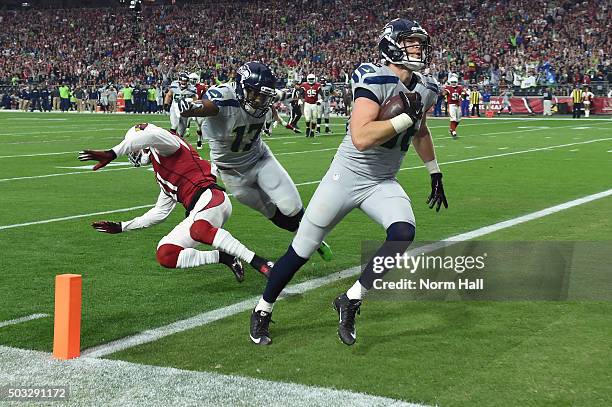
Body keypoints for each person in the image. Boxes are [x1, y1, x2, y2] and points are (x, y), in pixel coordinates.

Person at [248, 19, 448, 346]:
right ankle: (263, 309)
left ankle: (351, 299)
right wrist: (402, 118)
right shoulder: (374, 78)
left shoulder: (425, 88)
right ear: (392, 45)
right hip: (346, 177)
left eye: (418, 43)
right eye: (411, 42)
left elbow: (421, 131)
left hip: (382, 181)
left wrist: (434, 171)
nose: (418, 49)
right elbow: (360, 137)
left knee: (403, 232)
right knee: (302, 250)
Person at [180, 62, 333, 266]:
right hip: (233, 174)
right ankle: (305, 235)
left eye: (264, 96)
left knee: (292, 207)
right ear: (242, 87)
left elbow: (284, 95)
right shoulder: (224, 97)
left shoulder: (265, 96)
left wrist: (295, 94)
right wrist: (192, 107)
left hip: (259, 159)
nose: (260, 100)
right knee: (274, 214)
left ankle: (313, 239)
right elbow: (207, 106)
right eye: (255, 94)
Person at [77, 123, 273, 280]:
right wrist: (122, 227)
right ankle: (225, 257)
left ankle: (261, 263)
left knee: (198, 229)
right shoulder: (161, 172)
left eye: (134, 146)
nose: (133, 152)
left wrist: (113, 153)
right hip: (201, 211)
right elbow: (159, 214)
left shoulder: (167, 145)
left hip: (212, 198)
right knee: (166, 254)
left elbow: (151, 134)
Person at [164, 72, 196, 138]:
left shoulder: (192, 89)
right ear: (179, 80)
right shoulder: (174, 85)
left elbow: (195, 99)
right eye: (182, 80)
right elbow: (169, 95)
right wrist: (166, 104)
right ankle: (171, 140)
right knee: (174, 125)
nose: (183, 82)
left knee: (182, 131)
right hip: (175, 108)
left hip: (185, 110)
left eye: (185, 81)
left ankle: (178, 142)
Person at [443, 74, 464, 138]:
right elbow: (444, 93)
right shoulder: (448, 88)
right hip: (451, 105)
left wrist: (462, 96)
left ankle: (452, 129)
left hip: (458, 105)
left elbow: (463, 93)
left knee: (458, 119)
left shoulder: (459, 88)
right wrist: (445, 93)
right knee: (453, 118)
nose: (453, 83)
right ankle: (454, 132)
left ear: (457, 82)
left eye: (454, 82)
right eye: (452, 82)